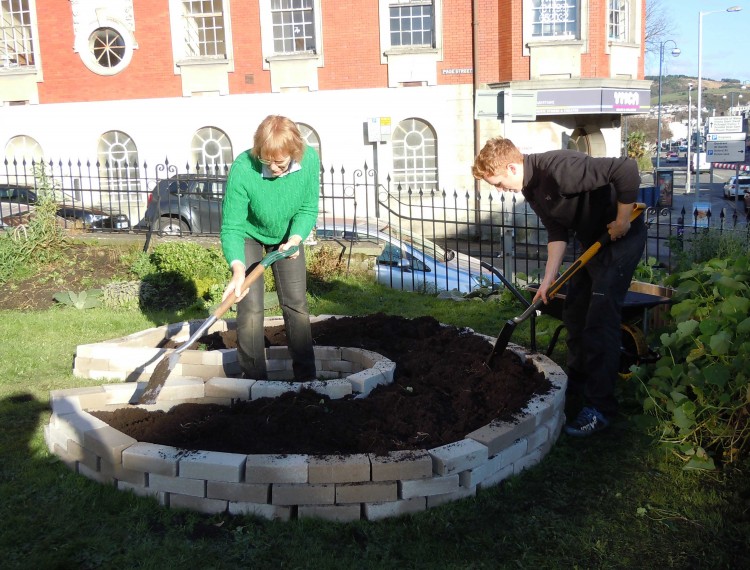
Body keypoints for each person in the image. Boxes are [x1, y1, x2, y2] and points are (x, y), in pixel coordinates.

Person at [472, 137, 646, 437]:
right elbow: (557, 231)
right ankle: (578, 382)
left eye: (498, 182)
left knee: (599, 322)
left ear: (512, 167)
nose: (499, 189)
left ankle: (600, 408)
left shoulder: (559, 169)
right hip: (593, 242)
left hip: (619, 239)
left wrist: (621, 220)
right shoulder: (530, 187)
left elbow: (626, 169)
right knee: (575, 312)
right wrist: (548, 281)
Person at [220, 115, 319, 381]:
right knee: (250, 307)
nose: (273, 168)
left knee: (296, 304)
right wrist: (237, 268)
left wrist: (296, 238)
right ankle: (253, 380)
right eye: (267, 161)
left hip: (287, 235)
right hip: (250, 235)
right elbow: (232, 227)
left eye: (280, 162)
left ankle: (306, 377)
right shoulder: (243, 168)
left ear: (294, 153)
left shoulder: (309, 161)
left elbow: (308, 207)